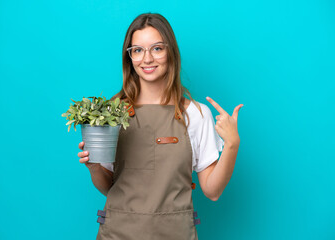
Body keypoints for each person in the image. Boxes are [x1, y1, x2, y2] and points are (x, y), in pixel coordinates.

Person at [78, 12, 243, 240]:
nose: (147, 59)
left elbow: (212, 192)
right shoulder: (112, 113)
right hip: (117, 233)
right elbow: (109, 188)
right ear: (129, 58)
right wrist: (94, 166)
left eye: (157, 48)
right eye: (137, 50)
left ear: (170, 52)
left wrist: (232, 144)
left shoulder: (195, 114)